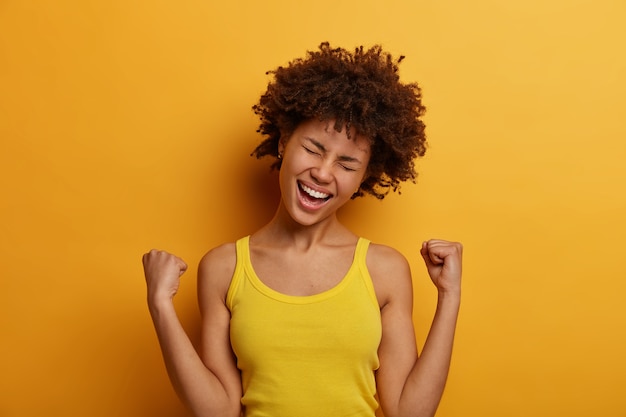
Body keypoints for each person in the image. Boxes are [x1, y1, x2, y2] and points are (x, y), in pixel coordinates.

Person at [142, 42, 463, 417]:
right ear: (283, 143)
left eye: (346, 164)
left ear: (363, 178)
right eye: (312, 148)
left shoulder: (384, 270)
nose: (323, 173)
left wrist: (449, 295)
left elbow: (409, 413)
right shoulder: (224, 267)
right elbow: (219, 412)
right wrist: (161, 306)